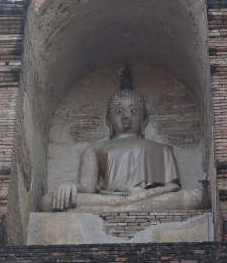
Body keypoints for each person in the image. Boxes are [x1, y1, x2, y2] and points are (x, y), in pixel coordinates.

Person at [44, 88, 202, 213]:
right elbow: (87, 189)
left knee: (194, 196)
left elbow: (172, 189)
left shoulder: (162, 150)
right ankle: (125, 207)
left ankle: (121, 207)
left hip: (145, 197)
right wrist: (70, 186)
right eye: (119, 111)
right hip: (108, 198)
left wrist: (142, 194)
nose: (126, 116)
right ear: (108, 120)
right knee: (48, 201)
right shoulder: (94, 149)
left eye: (133, 111)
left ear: (144, 120)